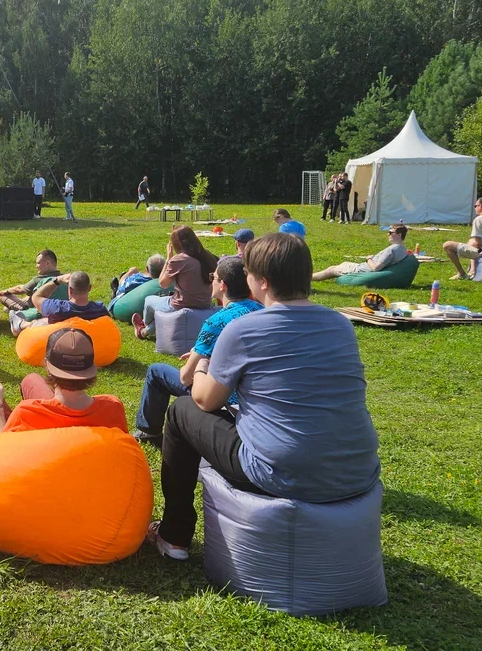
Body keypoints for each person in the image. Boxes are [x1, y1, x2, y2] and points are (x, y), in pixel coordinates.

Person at [147, 233, 380, 561]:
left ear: (263, 282)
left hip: (280, 472)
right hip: (357, 469)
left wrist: (203, 366)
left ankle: (174, 536)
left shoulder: (243, 330)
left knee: (181, 411)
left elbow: (205, 400)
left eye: (248, 273)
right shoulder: (340, 325)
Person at [134, 255, 262, 443]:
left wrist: (199, 358)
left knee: (156, 372)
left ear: (223, 285)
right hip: (253, 397)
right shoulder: (260, 310)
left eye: (214, 277)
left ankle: (149, 431)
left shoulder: (216, 322)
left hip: (224, 398)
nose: (211, 282)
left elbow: (186, 377)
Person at [0, 328, 127, 448]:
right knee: (31, 380)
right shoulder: (113, 407)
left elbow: (0, 449)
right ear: (92, 368)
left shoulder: (28, 413)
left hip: (29, 474)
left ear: (47, 365)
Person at [132, 226, 216, 340]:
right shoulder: (207, 256)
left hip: (181, 304)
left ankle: (144, 327)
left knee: (149, 301)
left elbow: (163, 283)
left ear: (176, 244)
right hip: (205, 304)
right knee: (163, 315)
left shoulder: (179, 259)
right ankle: (143, 331)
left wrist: (168, 259)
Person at [12, 270, 108, 336]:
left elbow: (36, 297)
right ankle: (21, 324)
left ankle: (21, 324)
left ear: (70, 289)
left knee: (43, 321)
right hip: (86, 345)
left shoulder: (56, 308)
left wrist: (57, 281)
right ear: (90, 288)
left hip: (60, 343)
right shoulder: (100, 309)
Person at [313, 224, 409, 281]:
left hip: (362, 270)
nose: (388, 234)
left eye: (391, 232)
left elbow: (375, 268)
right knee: (343, 263)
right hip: (362, 267)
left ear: (399, 234)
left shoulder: (391, 250)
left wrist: (368, 259)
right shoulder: (402, 249)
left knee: (331, 269)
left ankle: (306, 279)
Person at [442, 197, 482, 281]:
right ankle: (471, 269)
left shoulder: (479, 219)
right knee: (471, 241)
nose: (475, 208)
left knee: (447, 245)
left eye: (475, 206)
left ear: (481, 206)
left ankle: (461, 273)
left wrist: (468, 246)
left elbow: (478, 244)